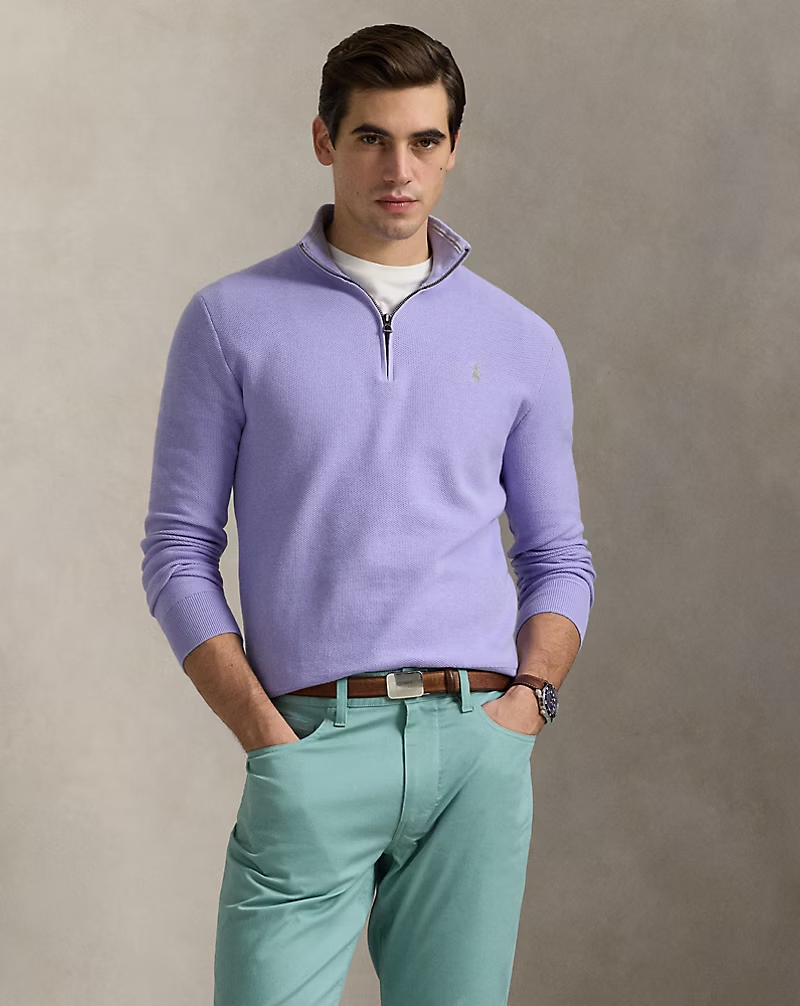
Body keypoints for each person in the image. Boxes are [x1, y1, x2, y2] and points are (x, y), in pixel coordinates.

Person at [140, 22, 596, 1006]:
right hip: (311, 741)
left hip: (476, 748)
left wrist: (527, 706)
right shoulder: (229, 322)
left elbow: (559, 555)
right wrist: (265, 736)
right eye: (372, 139)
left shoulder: (519, 339)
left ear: (453, 147)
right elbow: (177, 552)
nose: (400, 170)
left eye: (424, 140)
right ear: (324, 141)